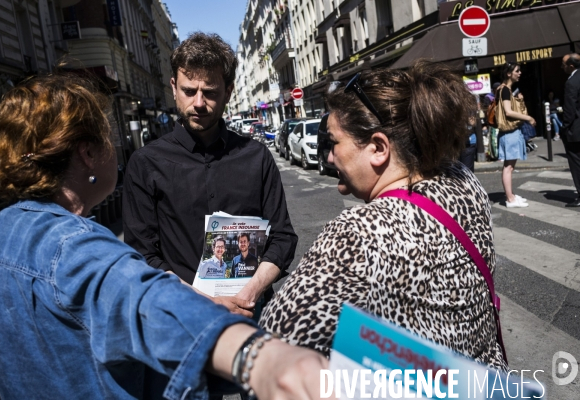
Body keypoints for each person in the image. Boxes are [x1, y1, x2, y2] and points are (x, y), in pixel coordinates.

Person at [0, 74, 327, 399]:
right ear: (88, 153)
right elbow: (146, 301)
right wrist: (262, 359)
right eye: (107, 138)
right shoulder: (75, 247)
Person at [260, 61, 508, 371]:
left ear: (379, 148)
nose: (329, 157)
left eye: (334, 143)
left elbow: (275, 344)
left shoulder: (357, 235)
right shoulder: (463, 180)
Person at [123, 32, 298, 318]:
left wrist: (249, 293)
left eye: (211, 92)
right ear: (174, 88)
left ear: (228, 92)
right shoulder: (146, 163)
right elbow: (142, 255)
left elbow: (282, 239)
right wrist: (203, 302)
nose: (199, 103)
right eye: (189, 91)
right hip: (181, 317)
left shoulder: (257, 157)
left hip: (252, 312)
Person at [495, 63, 535, 208]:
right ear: (509, 74)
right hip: (510, 133)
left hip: (511, 133)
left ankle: (510, 195)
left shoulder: (505, 89)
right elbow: (508, 112)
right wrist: (528, 118)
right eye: (517, 71)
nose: (520, 73)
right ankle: (510, 199)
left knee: (510, 166)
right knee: (508, 167)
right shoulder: (505, 90)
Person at [561, 53, 580, 207]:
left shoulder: (571, 82)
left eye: (564, 64)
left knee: (576, 163)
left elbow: (570, 109)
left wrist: (564, 127)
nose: (562, 67)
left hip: (576, 130)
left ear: (571, 66)